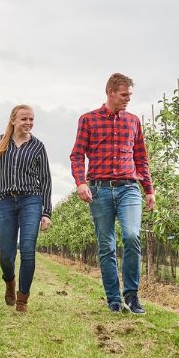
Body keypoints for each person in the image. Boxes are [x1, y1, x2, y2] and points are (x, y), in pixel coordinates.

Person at [69, 73, 156, 314]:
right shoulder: (88, 120)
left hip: (129, 188)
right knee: (106, 245)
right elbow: (77, 155)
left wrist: (149, 190)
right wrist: (81, 182)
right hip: (99, 190)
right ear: (110, 92)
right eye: (124, 94)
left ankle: (132, 294)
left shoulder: (133, 121)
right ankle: (114, 300)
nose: (128, 98)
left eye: (129, 94)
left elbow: (141, 158)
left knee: (131, 236)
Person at [0, 104, 52, 312]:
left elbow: (46, 180)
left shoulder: (38, 147)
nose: (29, 123)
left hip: (31, 201)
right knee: (6, 254)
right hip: (5, 202)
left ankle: (22, 298)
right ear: (13, 120)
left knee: (27, 250)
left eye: (31, 119)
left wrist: (46, 212)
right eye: (24, 119)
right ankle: (9, 281)